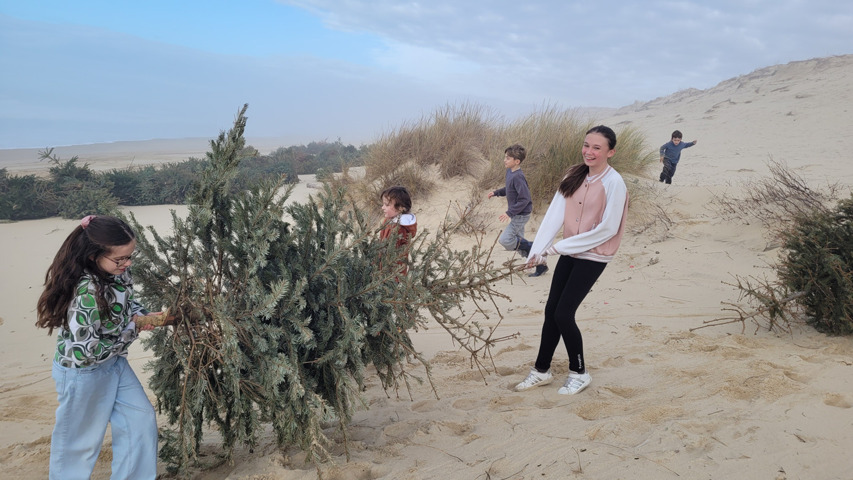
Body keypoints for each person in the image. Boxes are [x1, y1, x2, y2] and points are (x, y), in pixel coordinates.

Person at [36, 214, 164, 479]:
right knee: (79, 444)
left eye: (130, 257)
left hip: (114, 363)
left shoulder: (117, 271)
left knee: (140, 420)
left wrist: (142, 315)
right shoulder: (86, 293)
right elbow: (86, 352)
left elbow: (126, 303)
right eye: (120, 259)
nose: (127, 264)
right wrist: (133, 328)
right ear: (94, 256)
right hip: (82, 373)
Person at [515, 125, 629, 395]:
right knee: (551, 312)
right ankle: (541, 370)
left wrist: (556, 248)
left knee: (564, 314)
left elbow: (608, 229)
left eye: (597, 148)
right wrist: (537, 251)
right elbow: (554, 214)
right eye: (586, 145)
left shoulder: (615, 183)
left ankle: (579, 372)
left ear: (610, 152)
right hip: (569, 251)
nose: (589, 151)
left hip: (594, 255)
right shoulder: (573, 175)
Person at [487, 144, 547, 277]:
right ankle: (541, 266)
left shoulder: (518, 177)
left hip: (521, 215)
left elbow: (525, 199)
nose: (504, 160)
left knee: (506, 240)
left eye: (508, 158)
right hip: (517, 214)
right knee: (520, 244)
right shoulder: (510, 172)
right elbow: (509, 189)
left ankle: (534, 247)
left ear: (517, 161)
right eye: (505, 157)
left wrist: (509, 213)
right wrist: (496, 192)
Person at [380, 186, 418, 275]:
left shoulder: (399, 228)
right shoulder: (388, 220)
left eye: (387, 205)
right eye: (383, 204)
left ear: (400, 208)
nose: (382, 207)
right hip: (383, 270)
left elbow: (392, 255)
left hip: (393, 274)